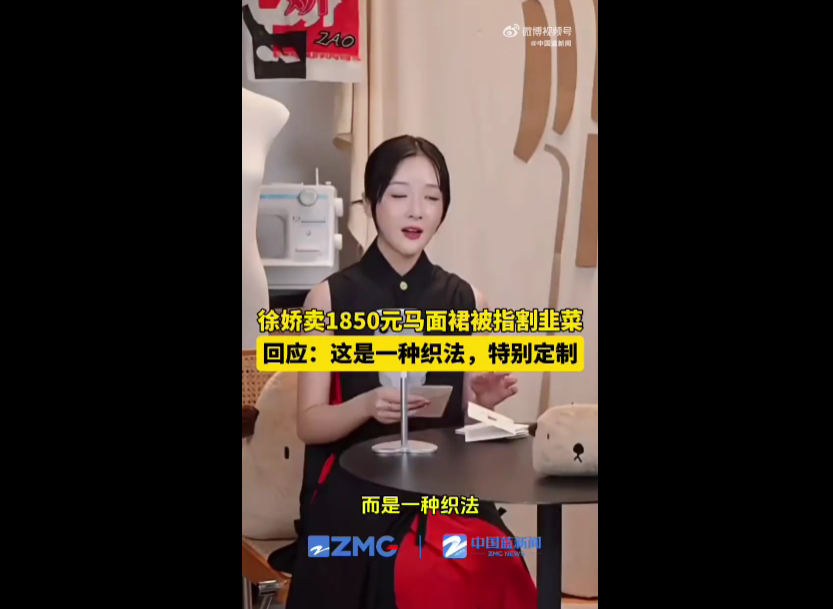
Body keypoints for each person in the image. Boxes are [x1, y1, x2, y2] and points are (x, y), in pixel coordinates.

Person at [281, 136, 539, 608]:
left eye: (432, 198)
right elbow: (308, 422)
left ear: (444, 209)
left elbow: (457, 419)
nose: (416, 211)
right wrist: (365, 405)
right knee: (422, 573)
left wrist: (479, 403)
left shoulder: (468, 300)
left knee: (496, 561)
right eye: (399, 194)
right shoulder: (328, 299)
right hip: (358, 488)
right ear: (371, 203)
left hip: (444, 487)